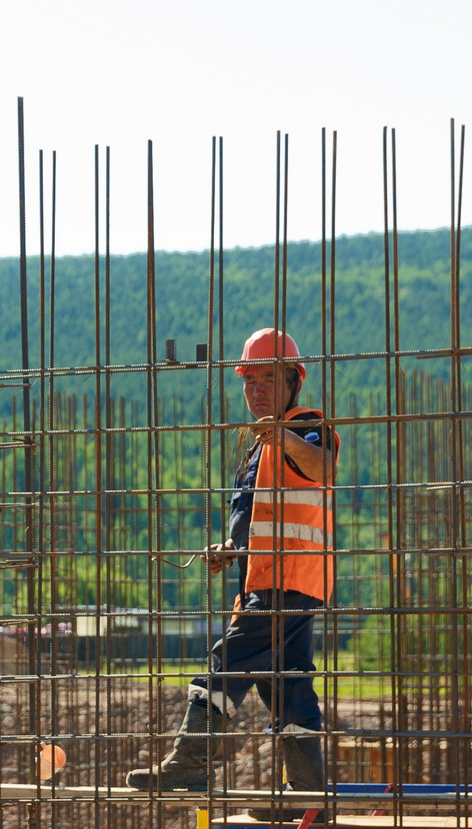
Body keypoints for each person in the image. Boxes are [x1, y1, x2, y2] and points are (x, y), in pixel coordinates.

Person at [128, 327, 336, 798]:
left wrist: (285, 440)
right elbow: (264, 517)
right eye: (249, 380)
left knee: (225, 665)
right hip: (278, 579)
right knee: (288, 686)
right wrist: (231, 547)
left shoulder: (306, 427)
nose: (256, 389)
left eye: (269, 378)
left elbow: (324, 467)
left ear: (293, 381)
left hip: (285, 580)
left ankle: (189, 764)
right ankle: (307, 792)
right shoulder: (261, 445)